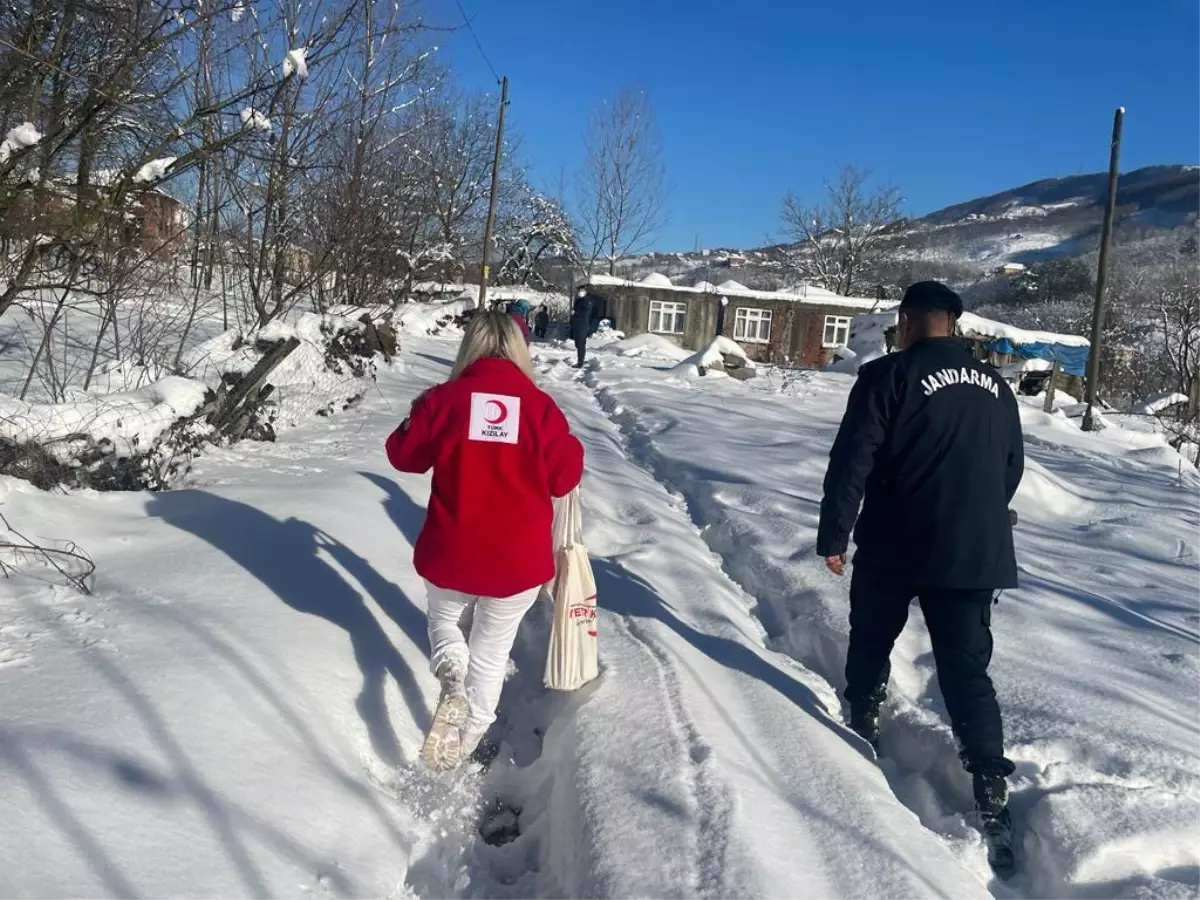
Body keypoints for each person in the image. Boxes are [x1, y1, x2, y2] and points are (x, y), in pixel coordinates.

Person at [816, 281, 1024, 846]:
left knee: (873, 635)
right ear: (952, 324)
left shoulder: (888, 376)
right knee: (966, 668)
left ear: (906, 322)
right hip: (974, 552)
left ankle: (862, 720)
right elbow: (1010, 469)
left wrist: (835, 533)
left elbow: (852, 458)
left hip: (897, 540)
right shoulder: (997, 388)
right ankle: (988, 779)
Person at [385, 311, 585, 771]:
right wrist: (569, 445)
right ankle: (467, 741)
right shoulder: (539, 408)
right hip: (516, 565)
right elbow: (564, 477)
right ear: (519, 349)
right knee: (492, 655)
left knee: (444, 620)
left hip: (451, 552)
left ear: (468, 348)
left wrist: (417, 413)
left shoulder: (445, 400)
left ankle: (451, 671)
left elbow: (402, 456)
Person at [570, 287, 594, 368]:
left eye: (582, 291)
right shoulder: (579, 300)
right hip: (576, 324)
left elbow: (586, 312)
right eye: (579, 291)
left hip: (582, 325)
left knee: (580, 344)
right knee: (577, 343)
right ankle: (580, 360)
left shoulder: (587, 301)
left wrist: (576, 312)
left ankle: (580, 362)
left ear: (585, 292)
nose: (580, 292)